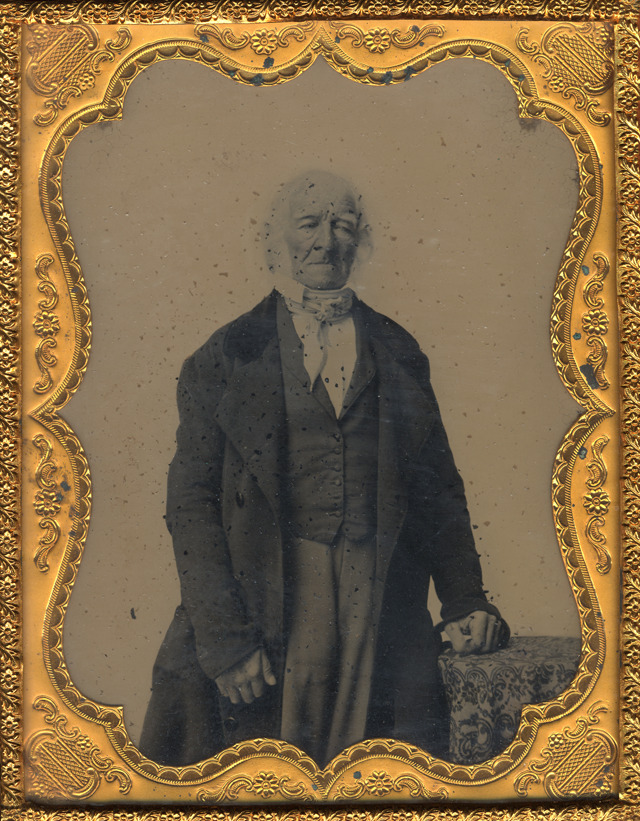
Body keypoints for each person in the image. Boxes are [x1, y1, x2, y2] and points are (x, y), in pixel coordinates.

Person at [139, 170, 508, 767]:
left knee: (375, 767)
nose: (326, 241)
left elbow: (439, 492)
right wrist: (226, 641)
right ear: (275, 238)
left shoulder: (399, 349)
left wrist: (466, 600)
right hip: (271, 594)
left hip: (379, 602)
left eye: (343, 225)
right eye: (309, 223)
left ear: (361, 240)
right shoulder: (225, 355)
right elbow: (190, 506)